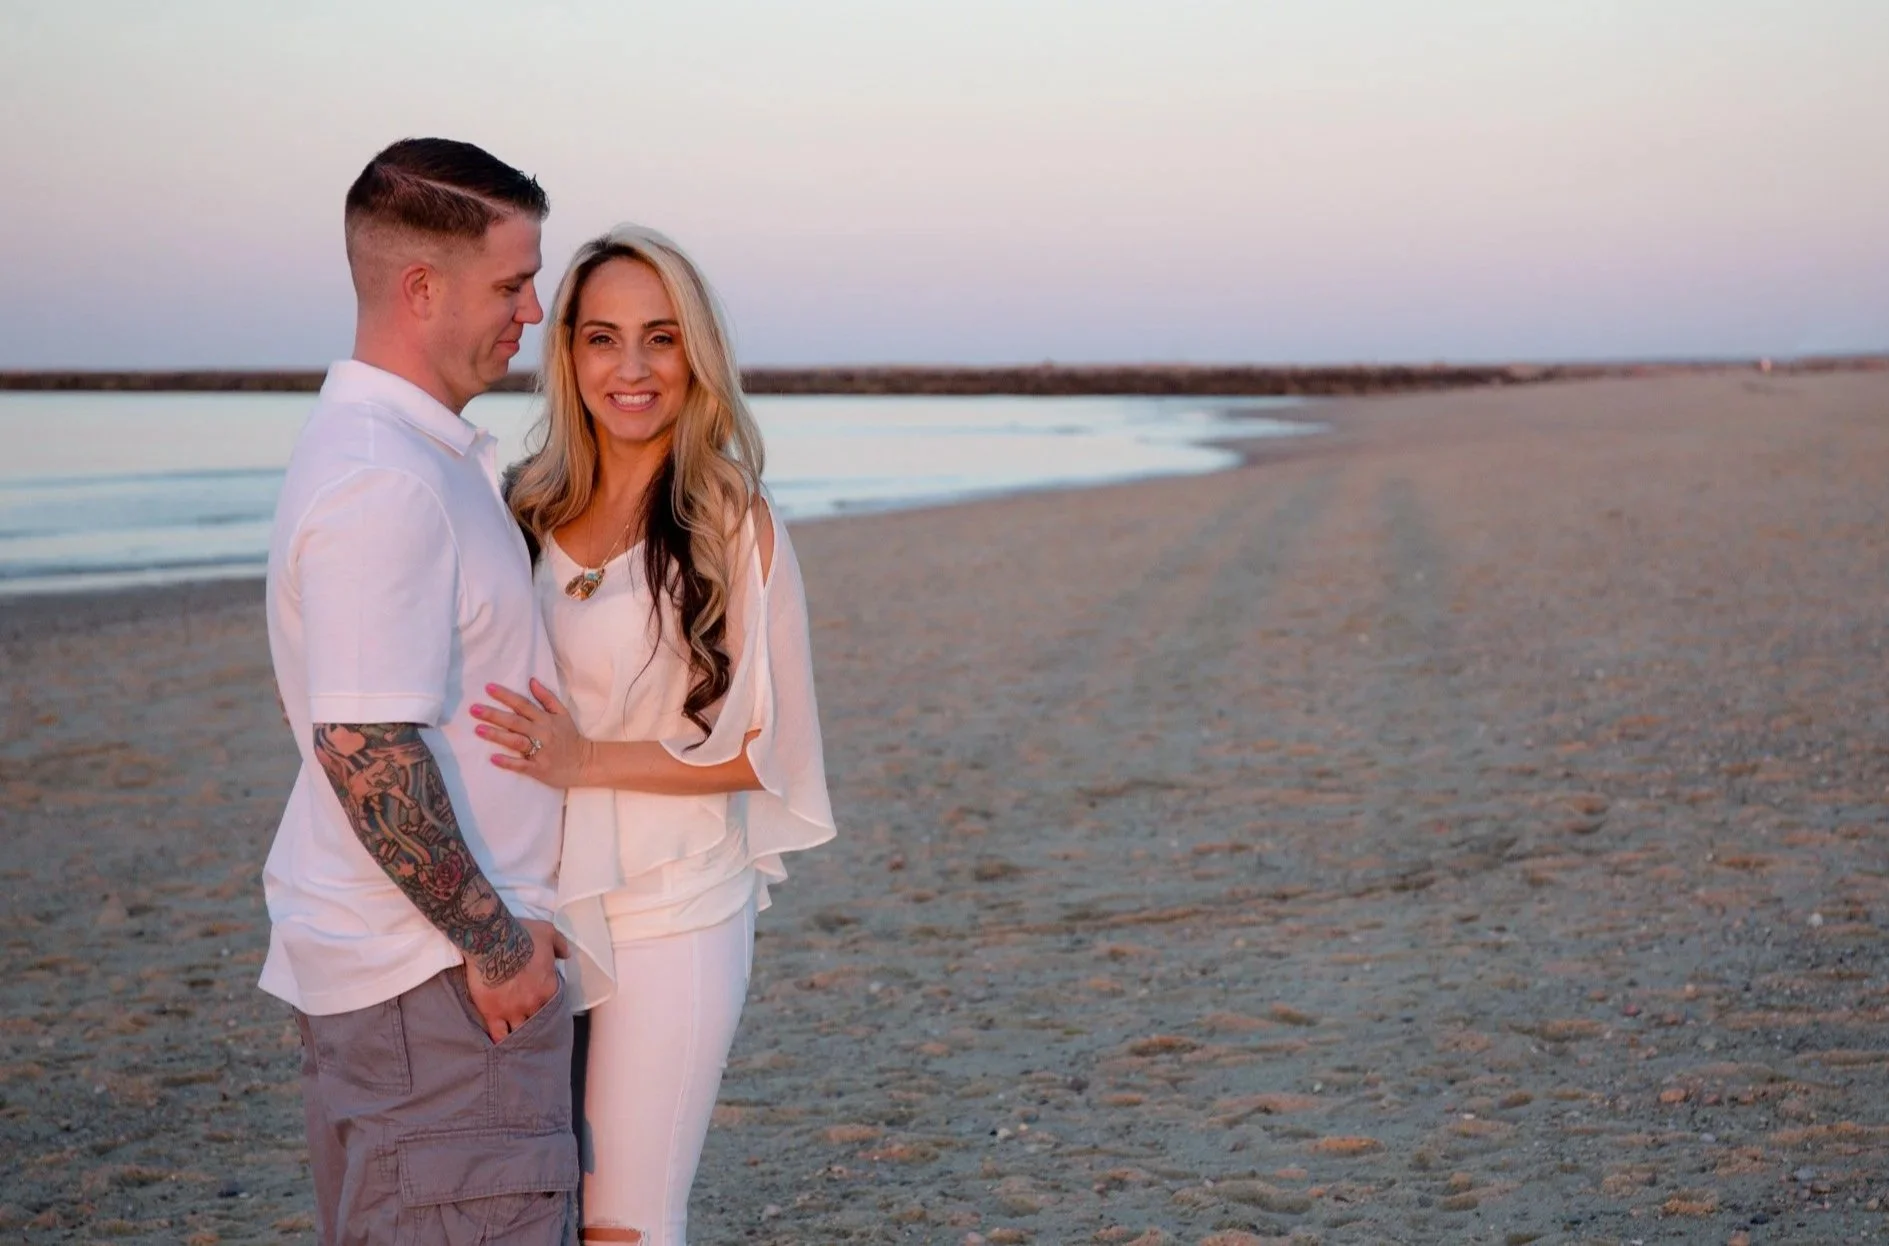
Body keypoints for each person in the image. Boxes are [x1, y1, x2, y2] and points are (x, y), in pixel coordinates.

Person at [471, 225, 836, 1245]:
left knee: (624, 1219)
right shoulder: (525, 504)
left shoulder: (733, 518)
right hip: (531, 898)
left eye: (659, 338)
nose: (630, 369)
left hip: (672, 906)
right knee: (536, 1207)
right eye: (601, 338)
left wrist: (586, 760)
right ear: (569, 353)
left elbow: (760, 745)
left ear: (695, 355)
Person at [260, 138, 579, 1244]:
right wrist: (493, 944)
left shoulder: (417, 455)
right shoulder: (383, 480)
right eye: (511, 282)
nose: (534, 310)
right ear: (421, 287)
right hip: (439, 996)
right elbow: (362, 743)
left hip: (428, 992)